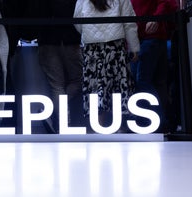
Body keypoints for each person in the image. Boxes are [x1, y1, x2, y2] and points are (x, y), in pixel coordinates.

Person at [74, 0, 140, 129]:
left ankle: (98, 127)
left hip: (92, 48)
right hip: (115, 47)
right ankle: (120, 127)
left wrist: (88, 34)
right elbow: (129, 23)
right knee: (118, 86)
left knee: (96, 87)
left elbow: (77, 22)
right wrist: (134, 48)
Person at [130, 0, 178, 132]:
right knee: (157, 82)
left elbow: (169, 4)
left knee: (142, 80)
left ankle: (156, 122)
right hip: (146, 37)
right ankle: (163, 122)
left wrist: (156, 18)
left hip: (150, 37)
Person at [37, 0, 84, 134]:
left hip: (48, 39)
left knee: (56, 85)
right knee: (79, 80)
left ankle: (57, 119)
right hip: (70, 39)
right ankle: (55, 117)